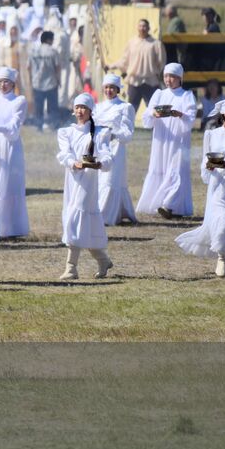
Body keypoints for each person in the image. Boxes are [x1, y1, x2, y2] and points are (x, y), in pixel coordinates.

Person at [176, 98, 225, 277]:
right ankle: (222, 256)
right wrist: (208, 167)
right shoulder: (211, 134)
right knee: (219, 219)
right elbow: (205, 159)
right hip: (218, 184)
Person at [57, 95, 116, 280]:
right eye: (77, 107)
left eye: (84, 107)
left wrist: (99, 164)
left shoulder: (100, 133)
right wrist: (74, 163)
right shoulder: (66, 132)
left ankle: (71, 268)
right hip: (73, 180)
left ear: (90, 111)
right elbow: (64, 154)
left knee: (76, 219)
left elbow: (107, 155)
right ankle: (103, 260)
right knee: (84, 224)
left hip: (88, 182)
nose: (80, 111)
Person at [137, 63, 197, 219]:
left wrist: (179, 114)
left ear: (179, 78)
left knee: (176, 169)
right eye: (166, 76)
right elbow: (147, 114)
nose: (168, 80)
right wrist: (153, 114)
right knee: (161, 166)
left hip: (178, 139)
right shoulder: (159, 94)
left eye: (172, 76)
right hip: (162, 138)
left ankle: (170, 205)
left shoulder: (186, 95)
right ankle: (158, 202)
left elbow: (190, 118)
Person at [0, 67, 29, 238]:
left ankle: (8, 227)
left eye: (6, 82)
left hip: (9, 146)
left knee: (7, 185)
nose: (3, 85)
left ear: (13, 83)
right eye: (0, 82)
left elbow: (14, 129)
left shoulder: (19, 101)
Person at [94, 74, 138, 225]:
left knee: (110, 179)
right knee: (99, 180)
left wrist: (112, 133)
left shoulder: (125, 107)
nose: (109, 90)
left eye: (112, 87)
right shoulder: (97, 107)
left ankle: (105, 216)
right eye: (106, 87)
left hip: (115, 149)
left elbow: (128, 134)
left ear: (118, 89)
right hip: (99, 148)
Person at [115, 18, 167, 112]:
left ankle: (157, 127)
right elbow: (124, 60)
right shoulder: (132, 42)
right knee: (130, 110)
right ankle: (128, 127)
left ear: (148, 28)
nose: (142, 28)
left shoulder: (156, 44)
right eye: (140, 26)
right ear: (137, 28)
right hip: (134, 81)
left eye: (144, 26)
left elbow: (161, 62)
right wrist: (111, 66)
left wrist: (159, 75)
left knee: (156, 110)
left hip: (151, 82)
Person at [28, 31, 62, 130]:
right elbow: (58, 67)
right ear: (48, 39)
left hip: (37, 83)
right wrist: (59, 80)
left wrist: (31, 80)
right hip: (51, 83)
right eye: (52, 39)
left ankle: (39, 126)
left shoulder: (33, 51)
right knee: (52, 107)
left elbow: (28, 67)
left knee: (38, 107)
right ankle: (54, 126)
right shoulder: (53, 51)